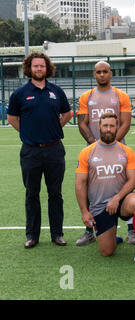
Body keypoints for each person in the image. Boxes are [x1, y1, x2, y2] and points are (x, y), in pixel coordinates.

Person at [7, 52, 72, 249]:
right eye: (35, 66)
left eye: (42, 66)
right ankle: (32, 235)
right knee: (32, 194)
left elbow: (68, 113)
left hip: (54, 150)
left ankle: (57, 234)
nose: (39, 69)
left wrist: (55, 127)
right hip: (31, 152)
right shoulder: (20, 93)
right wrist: (28, 134)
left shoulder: (56, 91)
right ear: (29, 68)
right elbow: (12, 118)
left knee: (56, 194)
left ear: (47, 68)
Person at [75, 113, 135, 266]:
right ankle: (110, 235)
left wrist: (117, 198)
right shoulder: (87, 152)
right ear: (99, 127)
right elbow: (80, 183)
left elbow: (133, 181)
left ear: (117, 127)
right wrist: (84, 211)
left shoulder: (126, 151)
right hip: (100, 206)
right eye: (105, 126)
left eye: (112, 126)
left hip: (122, 202)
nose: (108, 129)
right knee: (107, 252)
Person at [75, 61, 134, 246]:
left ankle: (132, 230)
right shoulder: (86, 96)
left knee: (124, 185)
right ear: (94, 74)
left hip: (117, 149)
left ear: (111, 73)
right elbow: (82, 123)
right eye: (98, 72)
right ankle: (90, 230)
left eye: (105, 72)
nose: (102, 75)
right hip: (93, 150)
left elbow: (125, 123)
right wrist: (96, 144)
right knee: (90, 189)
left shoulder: (121, 95)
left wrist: (113, 143)